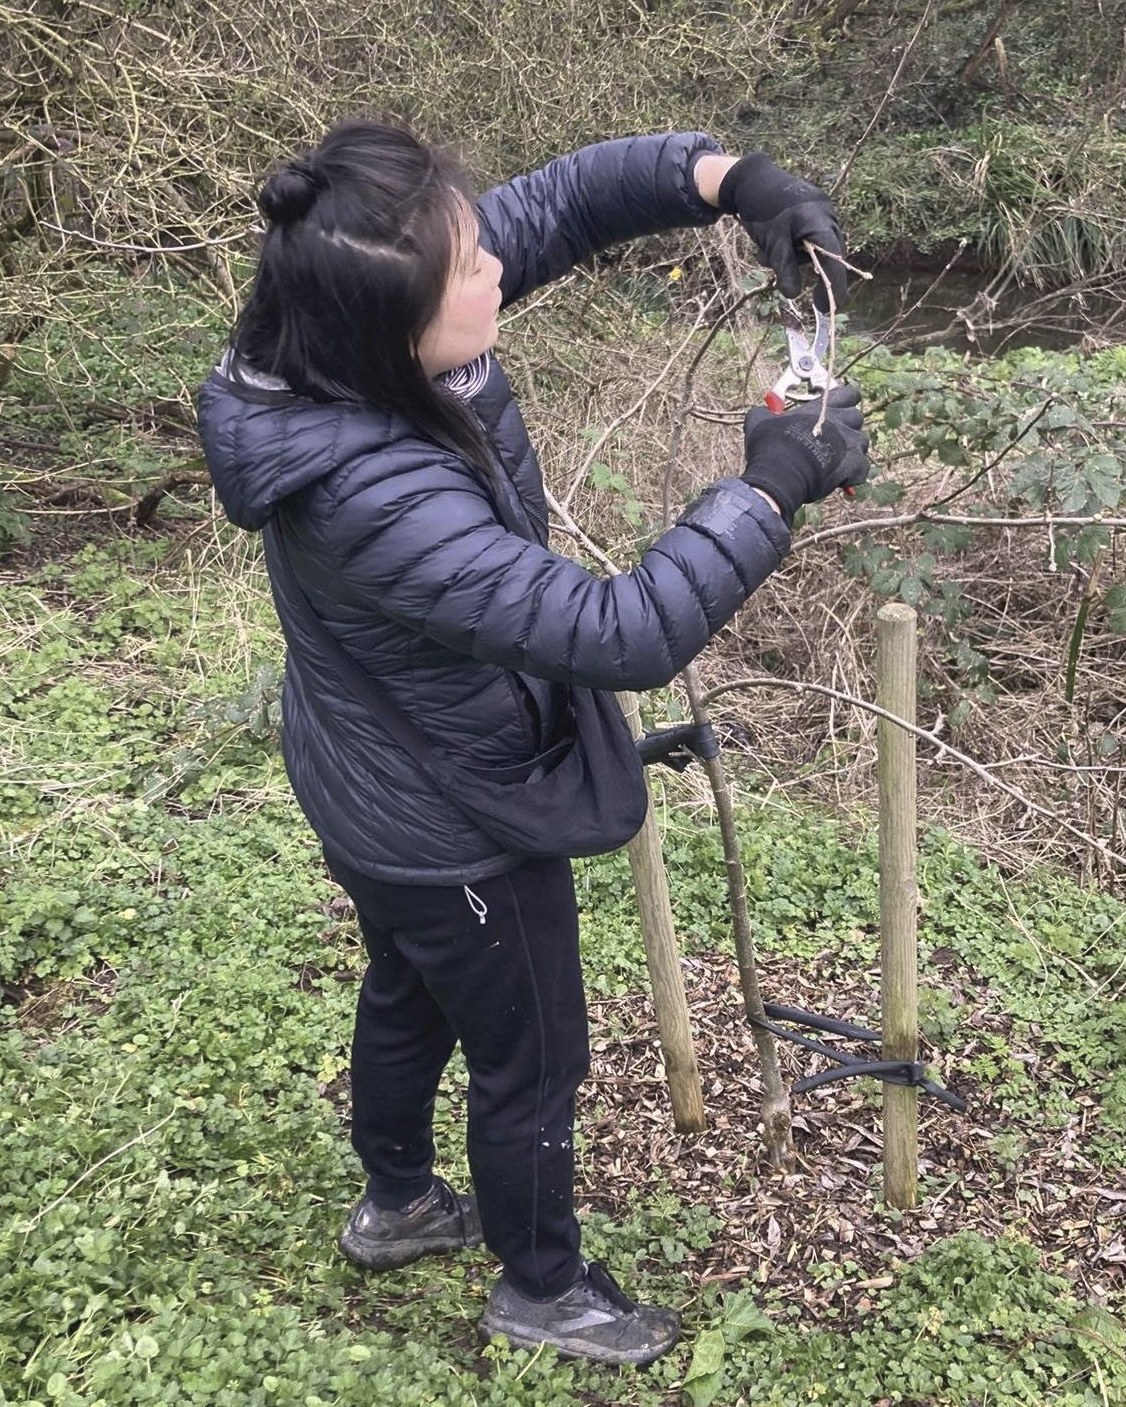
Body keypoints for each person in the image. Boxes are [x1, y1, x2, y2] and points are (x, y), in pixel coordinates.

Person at [196, 118, 869, 1368]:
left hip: (367, 783)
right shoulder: (376, 496)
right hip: (452, 821)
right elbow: (615, 632)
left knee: (410, 987)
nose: (493, 264)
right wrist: (768, 487)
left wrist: (730, 182)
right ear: (399, 328)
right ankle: (542, 1287)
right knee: (534, 1054)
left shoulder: (339, 319)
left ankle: (396, 1201)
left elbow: (555, 205)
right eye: (467, 268)